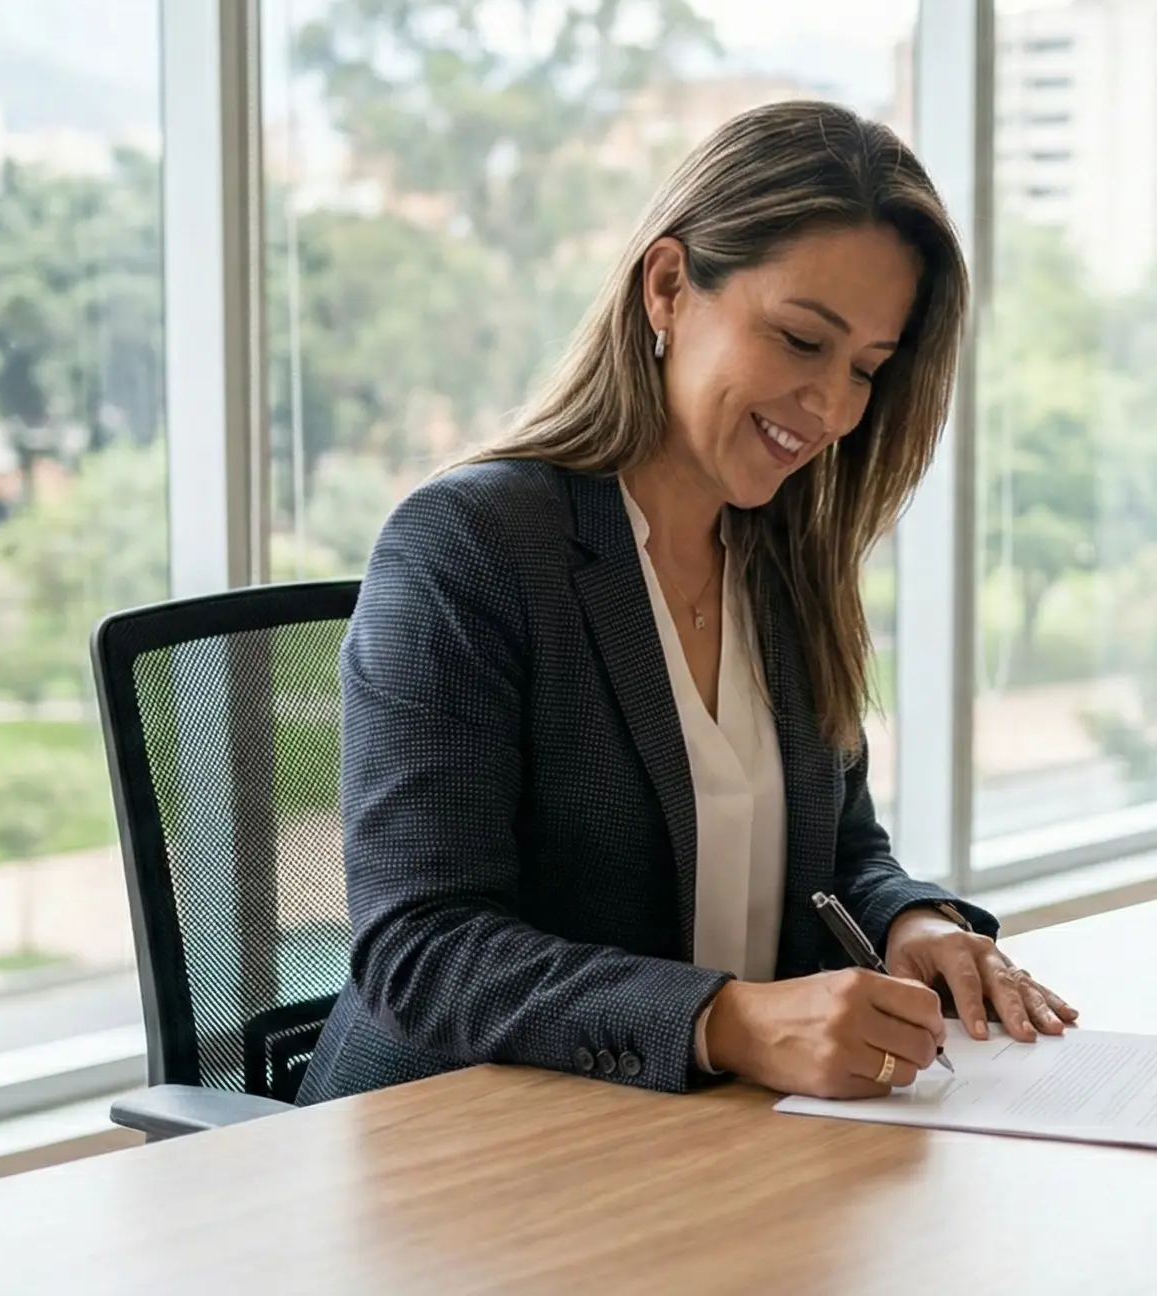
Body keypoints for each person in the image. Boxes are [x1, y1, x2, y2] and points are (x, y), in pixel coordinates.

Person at [298, 101, 1075, 1105]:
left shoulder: (782, 555)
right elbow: (423, 950)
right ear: (667, 287)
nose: (833, 408)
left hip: (695, 1142)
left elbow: (835, 854)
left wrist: (909, 924)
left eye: (866, 372)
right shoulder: (471, 548)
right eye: (800, 341)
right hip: (458, 1163)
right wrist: (726, 1021)